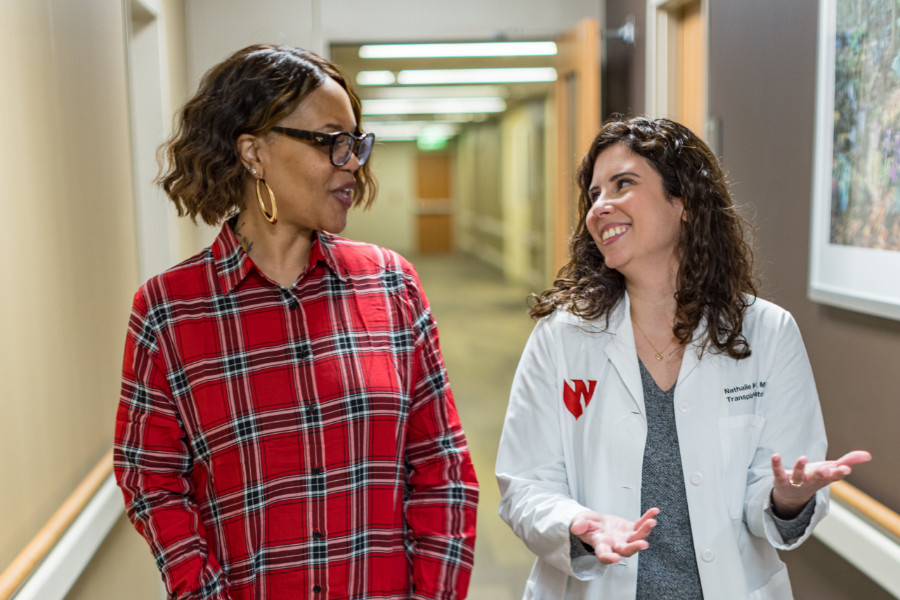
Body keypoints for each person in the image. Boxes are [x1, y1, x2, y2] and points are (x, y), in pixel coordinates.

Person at [114, 44, 478, 600]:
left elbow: (441, 467)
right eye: (331, 141)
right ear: (254, 152)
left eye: (355, 142)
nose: (352, 161)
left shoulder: (390, 284)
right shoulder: (169, 310)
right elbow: (152, 480)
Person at [495, 116, 871, 599]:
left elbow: (773, 488)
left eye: (622, 184)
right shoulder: (562, 336)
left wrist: (788, 498)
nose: (599, 208)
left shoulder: (766, 332)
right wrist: (577, 523)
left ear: (686, 202)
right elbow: (525, 484)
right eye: (593, 195)